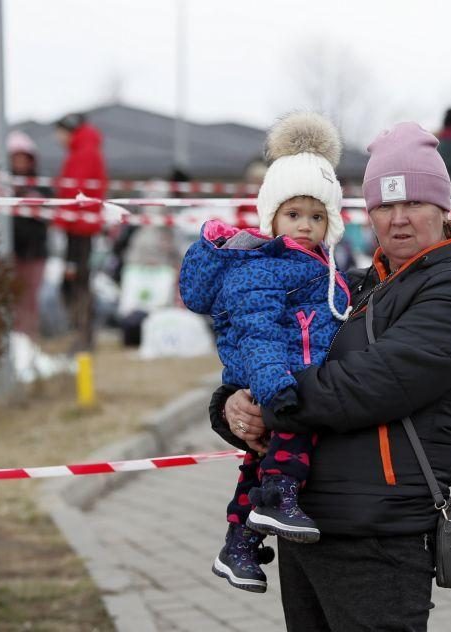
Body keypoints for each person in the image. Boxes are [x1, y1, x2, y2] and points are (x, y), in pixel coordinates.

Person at [210, 122, 451, 630]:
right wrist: (233, 402)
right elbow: (284, 350)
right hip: (304, 522)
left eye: (413, 203)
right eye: (384, 206)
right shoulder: (353, 287)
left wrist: (271, 399)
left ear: (443, 209)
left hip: (379, 536)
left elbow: (365, 386)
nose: (399, 219)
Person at [179, 113, 350, 592]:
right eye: (294, 215)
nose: (306, 226)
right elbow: (258, 331)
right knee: (288, 445)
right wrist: (277, 386)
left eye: (318, 217)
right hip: (277, 378)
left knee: (257, 459)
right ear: (272, 216)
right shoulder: (266, 268)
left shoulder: (315, 265)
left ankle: (238, 547)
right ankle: (277, 500)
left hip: (282, 376)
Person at [53, 113, 107, 352]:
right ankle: (82, 335)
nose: (57, 138)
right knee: (76, 282)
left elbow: (75, 192)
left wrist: (63, 219)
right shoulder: (85, 150)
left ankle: (82, 336)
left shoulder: (83, 153)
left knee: (76, 283)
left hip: (79, 229)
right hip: (79, 227)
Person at [6, 131, 50, 338]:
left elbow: (50, 215)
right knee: (10, 298)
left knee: (30, 299)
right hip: (9, 251)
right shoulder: (2, 185)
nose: (20, 162)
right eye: (16, 158)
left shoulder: (41, 186)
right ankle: (11, 339)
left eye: (24, 158)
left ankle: (28, 339)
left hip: (34, 252)